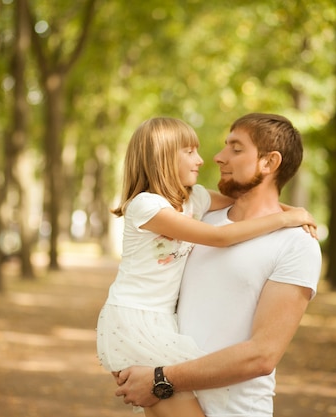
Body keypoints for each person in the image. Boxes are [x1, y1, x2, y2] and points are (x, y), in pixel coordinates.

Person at [96, 116, 317, 417]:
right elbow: (219, 237)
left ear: (269, 162)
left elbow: (263, 355)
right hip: (158, 358)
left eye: (236, 149)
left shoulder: (296, 243)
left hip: (235, 409)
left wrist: (161, 378)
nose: (215, 157)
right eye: (190, 151)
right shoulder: (198, 219)